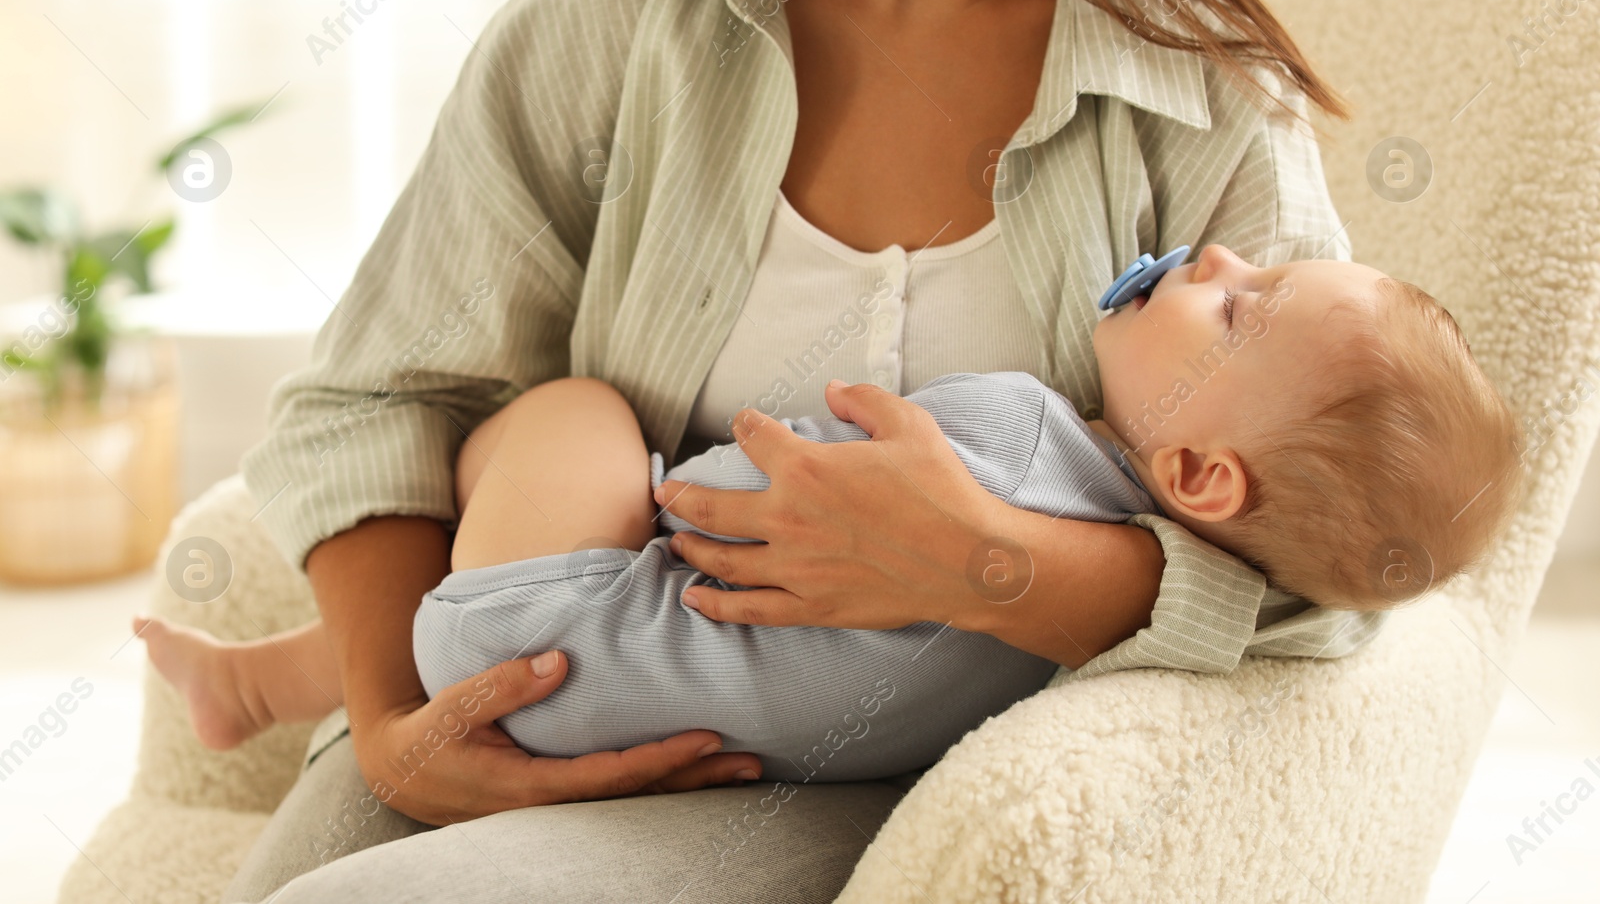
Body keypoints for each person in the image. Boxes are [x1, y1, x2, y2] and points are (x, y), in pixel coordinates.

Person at [219, 0, 1400, 899]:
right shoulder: (620, 17)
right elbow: (388, 396)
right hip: (524, 685)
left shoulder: (1205, 90)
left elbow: (1339, 551)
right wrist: (389, 720)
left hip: (909, 780)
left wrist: (993, 568)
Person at [139, 246, 1523, 780]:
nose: (1214, 252)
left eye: (1239, 301)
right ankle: (258, 682)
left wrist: (703, 475)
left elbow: (727, 507)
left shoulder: (1013, 431)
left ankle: (309, 635)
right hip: (656, 723)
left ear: (1206, 477)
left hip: (559, 636)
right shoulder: (1102, 635)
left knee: (574, 416)